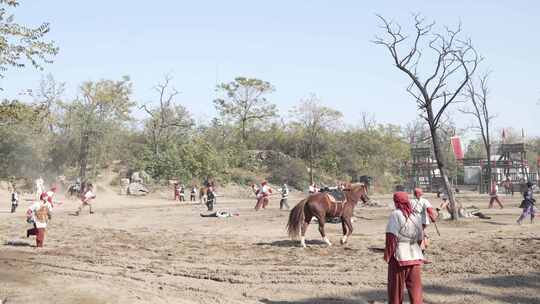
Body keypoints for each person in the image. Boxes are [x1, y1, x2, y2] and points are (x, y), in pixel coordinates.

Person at [384, 191, 424, 304]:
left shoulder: (395, 214)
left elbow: (391, 237)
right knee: (416, 290)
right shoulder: (416, 215)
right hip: (415, 256)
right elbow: (420, 238)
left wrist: (388, 256)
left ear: (396, 202)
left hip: (399, 258)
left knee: (395, 292)